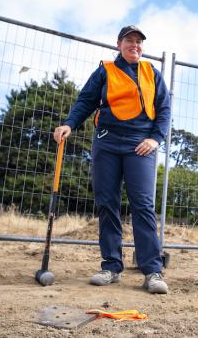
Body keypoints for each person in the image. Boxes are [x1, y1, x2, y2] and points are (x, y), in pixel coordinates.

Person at [53, 25, 170, 294]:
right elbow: (85, 100)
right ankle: (111, 267)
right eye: (130, 40)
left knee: (142, 205)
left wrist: (156, 139)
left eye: (139, 42)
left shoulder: (152, 72)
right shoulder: (105, 70)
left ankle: (152, 270)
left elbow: (164, 109)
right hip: (106, 141)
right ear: (119, 44)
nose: (135, 45)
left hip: (141, 144)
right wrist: (70, 124)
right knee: (107, 203)